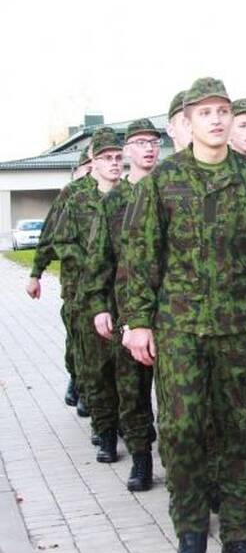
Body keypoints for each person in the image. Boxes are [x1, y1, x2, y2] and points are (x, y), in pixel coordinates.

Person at [120, 77, 246, 553]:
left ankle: (238, 541)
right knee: (181, 433)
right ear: (188, 122)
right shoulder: (163, 181)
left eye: (223, 110)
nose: (216, 119)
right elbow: (140, 255)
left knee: (241, 434)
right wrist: (138, 321)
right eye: (205, 113)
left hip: (241, 329)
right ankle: (191, 532)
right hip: (181, 332)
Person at [85, 119, 162, 490]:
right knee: (132, 389)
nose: (148, 148)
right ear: (127, 151)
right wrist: (100, 305)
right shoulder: (114, 201)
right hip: (127, 309)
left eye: (153, 142)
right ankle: (142, 458)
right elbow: (99, 258)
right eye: (139, 142)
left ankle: (196, 469)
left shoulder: (171, 190)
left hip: (173, 310)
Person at [53, 128, 124, 461]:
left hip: (124, 300)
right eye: (106, 158)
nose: (113, 163)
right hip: (87, 298)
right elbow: (61, 240)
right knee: (95, 372)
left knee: (127, 375)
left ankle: (128, 430)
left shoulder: (131, 197)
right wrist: (92, 261)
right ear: (92, 162)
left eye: (117, 157)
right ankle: (105, 431)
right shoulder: (77, 197)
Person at [26, 149, 94, 410]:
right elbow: (49, 235)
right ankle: (79, 380)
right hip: (76, 285)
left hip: (108, 286)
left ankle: (94, 395)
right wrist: (36, 273)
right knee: (77, 340)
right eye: (86, 168)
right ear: (78, 171)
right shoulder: (71, 194)